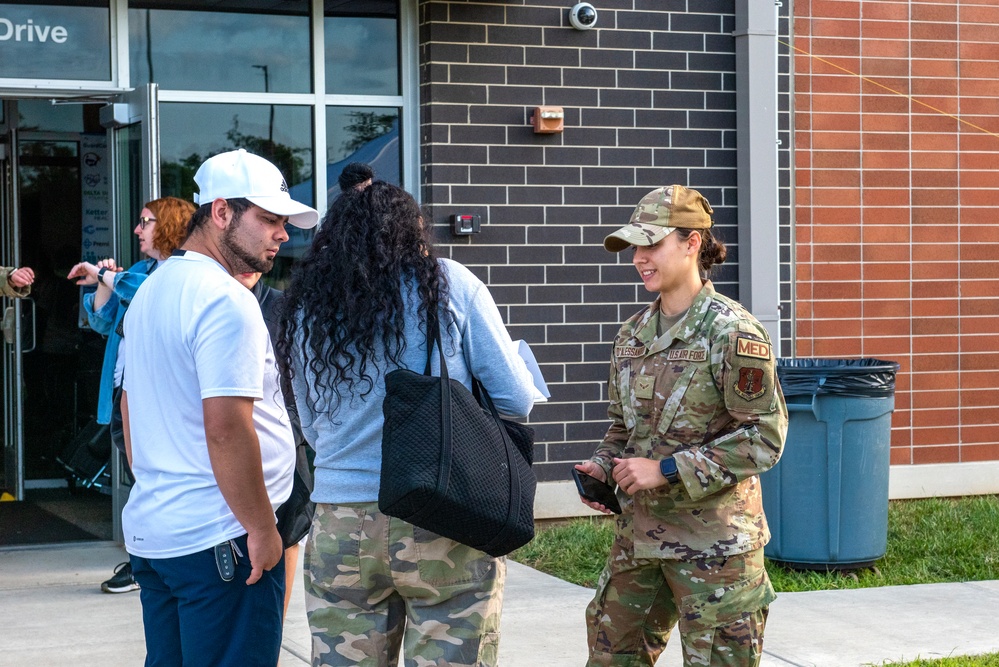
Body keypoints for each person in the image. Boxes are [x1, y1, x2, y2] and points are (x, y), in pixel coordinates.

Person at [276, 181, 535, 666]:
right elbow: (516, 400)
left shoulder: (308, 302)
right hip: (440, 511)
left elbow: (308, 423)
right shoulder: (449, 283)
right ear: (411, 230)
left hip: (340, 521)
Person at [119, 149, 319, 666]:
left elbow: (130, 407)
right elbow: (228, 429)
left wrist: (160, 485)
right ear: (222, 212)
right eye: (269, 219)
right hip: (221, 540)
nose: (283, 234)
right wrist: (260, 528)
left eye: (285, 222)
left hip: (164, 531)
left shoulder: (152, 290)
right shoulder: (225, 300)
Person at [576, 185, 789, 667]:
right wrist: (604, 465)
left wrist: (667, 469)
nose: (639, 258)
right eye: (635, 247)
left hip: (714, 546)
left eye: (652, 244)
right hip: (640, 539)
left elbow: (765, 437)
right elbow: (621, 427)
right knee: (612, 656)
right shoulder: (631, 335)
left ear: (692, 243)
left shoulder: (730, 332)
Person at [67, 195, 195, 594]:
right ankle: (145, 556)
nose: (138, 230)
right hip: (127, 391)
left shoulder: (181, 272)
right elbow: (103, 322)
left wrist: (107, 277)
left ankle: (152, 558)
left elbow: (147, 291)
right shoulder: (140, 269)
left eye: (146, 222)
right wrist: (103, 281)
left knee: (154, 477)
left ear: (170, 225)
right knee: (139, 475)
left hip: (157, 397)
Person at [233, 270, 315, 623]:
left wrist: (297, 431)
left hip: (286, 449)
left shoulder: (281, 307)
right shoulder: (211, 300)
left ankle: (274, 637)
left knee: (289, 535)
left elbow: (305, 378)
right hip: (231, 454)